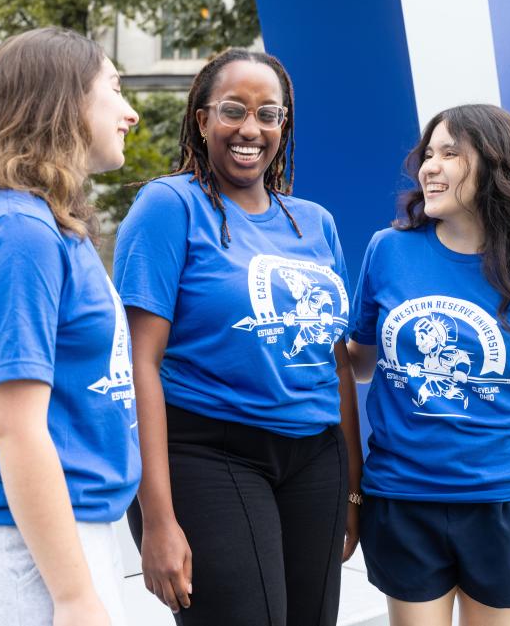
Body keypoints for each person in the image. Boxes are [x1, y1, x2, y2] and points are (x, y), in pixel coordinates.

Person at [113, 48, 363, 626]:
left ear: (283, 126)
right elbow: (137, 364)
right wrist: (156, 517)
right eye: (233, 110)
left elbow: (338, 362)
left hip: (314, 462)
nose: (250, 128)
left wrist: (352, 489)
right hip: (207, 451)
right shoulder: (168, 206)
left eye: (268, 114)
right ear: (202, 121)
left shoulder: (315, 221)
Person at [348, 104, 510, 626]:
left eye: (450, 154)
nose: (429, 167)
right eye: (428, 154)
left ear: (494, 168)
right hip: (403, 498)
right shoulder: (388, 251)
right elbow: (360, 363)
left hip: (505, 506)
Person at [0, 27, 141, 626]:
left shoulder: (44, 225)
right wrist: (75, 598)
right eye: (114, 91)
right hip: (28, 554)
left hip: (57, 539)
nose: (130, 113)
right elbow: (15, 429)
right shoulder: (18, 235)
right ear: (67, 100)